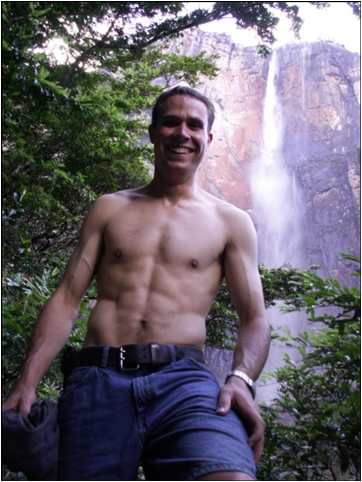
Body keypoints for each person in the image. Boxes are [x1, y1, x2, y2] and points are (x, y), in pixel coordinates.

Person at [3, 85, 270, 481]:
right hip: (99, 378)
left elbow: (255, 319)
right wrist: (27, 383)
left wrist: (241, 379)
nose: (182, 133)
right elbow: (66, 299)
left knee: (230, 476)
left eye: (194, 125)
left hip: (184, 383)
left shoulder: (231, 222)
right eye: (171, 122)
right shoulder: (110, 208)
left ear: (208, 138)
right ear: (153, 132)